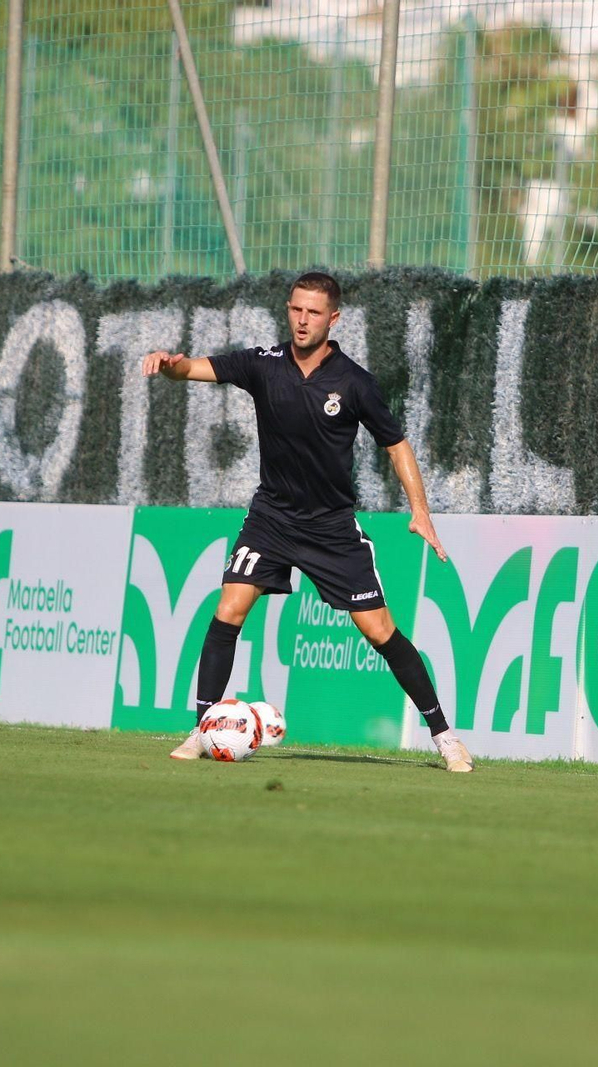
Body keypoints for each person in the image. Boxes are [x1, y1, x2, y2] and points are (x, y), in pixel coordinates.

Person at [141, 271, 474, 772]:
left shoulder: (354, 382)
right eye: (296, 309)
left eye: (313, 312)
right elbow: (193, 370)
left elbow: (396, 444)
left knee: (380, 631)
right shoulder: (263, 364)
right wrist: (169, 365)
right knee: (230, 607)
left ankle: (445, 736)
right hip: (270, 518)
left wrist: (420, 510)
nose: (302, 319)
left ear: (333, 319)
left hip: (331, 528)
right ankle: (204, 726)